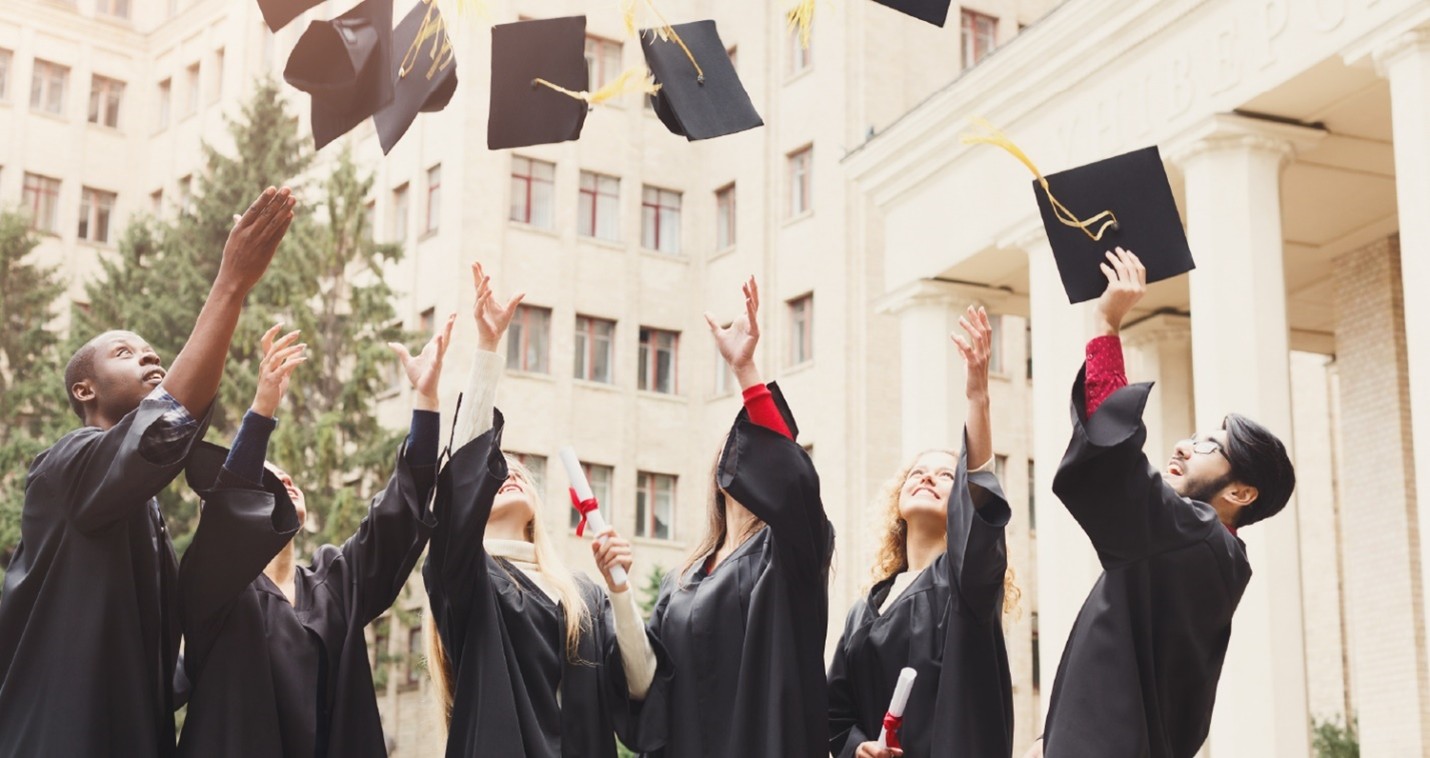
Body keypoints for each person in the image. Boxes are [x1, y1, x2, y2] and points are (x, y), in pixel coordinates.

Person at [0, 187, 296, 756]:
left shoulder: (142, 507)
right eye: (124, 352)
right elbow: (166, 430)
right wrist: (230, 284)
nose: (149, 357)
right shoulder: (66, 469)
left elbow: (175, 646)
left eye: (151, 350)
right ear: (84, 389)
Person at [1031, 248, 1296, 758]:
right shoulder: (1209, 558)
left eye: (1210, 446)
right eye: (1194, 436)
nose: (1182, 445)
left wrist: (1105, 324)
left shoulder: (1196, 539)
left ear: (1240, 492)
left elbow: (1115, 469)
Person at [175, 313, 454, 757]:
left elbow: (398, 520)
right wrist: (262, 411)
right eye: (268, 479)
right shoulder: (215, 594)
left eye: (289, 479)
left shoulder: (334, 584)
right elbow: (228, 513)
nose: (285, 481)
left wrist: (425, 400)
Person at [424, 262, 668, 757]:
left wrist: (618, 588)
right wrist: (488, 352)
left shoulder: (581, 594)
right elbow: (460, 484)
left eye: (516, 467)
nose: (507, 470)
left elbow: (641, 686)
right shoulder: (468, 580)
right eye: (496, 468)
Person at [641, 276, 835, 758]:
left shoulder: (790, 552)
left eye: (756, 445)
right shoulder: (680, 579)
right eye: (736, 443)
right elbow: (648, 683)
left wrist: (746, 370)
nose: (748, 452)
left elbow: (793, 484)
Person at [828, 305, 1017, 758]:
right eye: (917, 471)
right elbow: (835, 715)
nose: (927, 476)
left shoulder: (966, 585)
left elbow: (981, 496)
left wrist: (978, 395)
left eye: (945, 474)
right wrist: (860, 748)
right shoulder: (866, 608)